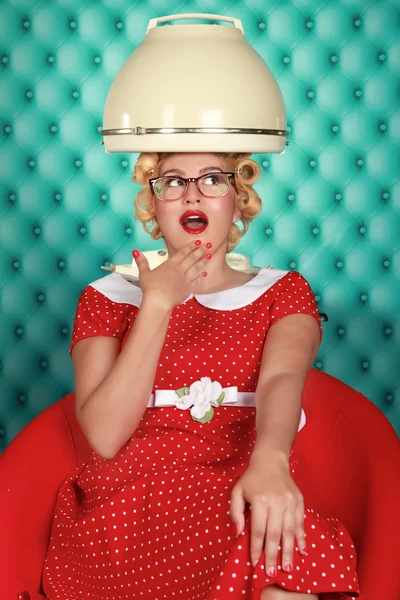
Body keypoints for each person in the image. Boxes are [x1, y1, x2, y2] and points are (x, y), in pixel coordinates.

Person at [42, 152, 359, 599]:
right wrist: (157, 303)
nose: (192, 192)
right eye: (172, 181)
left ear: (237, 198)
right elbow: (106, 435)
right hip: (125, 516)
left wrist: (270, 462)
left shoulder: (283, 291)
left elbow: (281, 379)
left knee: (281, 540)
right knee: (264, 537)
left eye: (212, 178)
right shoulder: (105, 297)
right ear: (154, 204)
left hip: (237, 490)